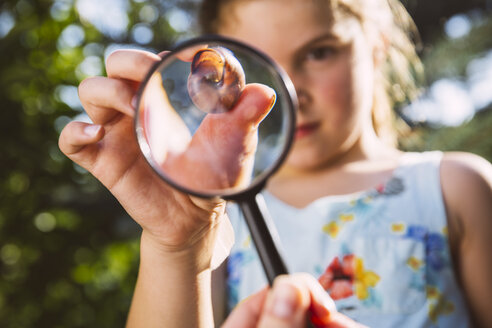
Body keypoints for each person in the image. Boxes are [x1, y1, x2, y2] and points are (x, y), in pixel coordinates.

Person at [58, 0, 492, 327]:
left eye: (318, 53)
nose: (292, 92)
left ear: (376, 46)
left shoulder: (454, 187)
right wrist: (177, 247)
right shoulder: (218, 218)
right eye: (257, 66)